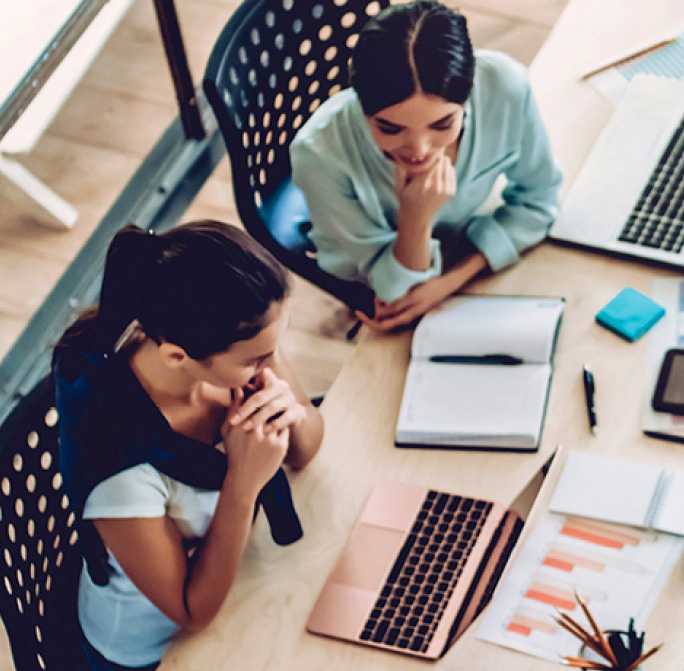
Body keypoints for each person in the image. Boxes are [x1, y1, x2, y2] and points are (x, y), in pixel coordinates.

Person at [52, 221, 323, 670]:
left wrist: (286, 407)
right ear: (177, 355)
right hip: (156, 653)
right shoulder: (122, 468)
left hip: (240, 581)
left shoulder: (232, 348)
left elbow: (305, 449)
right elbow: (190, 612)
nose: (270, 366)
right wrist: (243, 482)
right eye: (258, 358)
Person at [290, 0, 562, 332]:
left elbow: (540, 200)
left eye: (443, 124)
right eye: (390, 128)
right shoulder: (318, 154)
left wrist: (449, 282)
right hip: (374, 270)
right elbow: (397, 293)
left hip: (455, 255)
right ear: (361, 105)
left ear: (469, 96)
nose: (419, 151)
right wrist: (415, 217)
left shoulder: (505, 86)